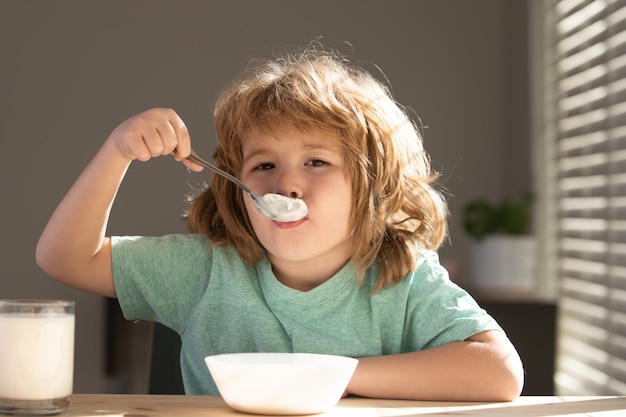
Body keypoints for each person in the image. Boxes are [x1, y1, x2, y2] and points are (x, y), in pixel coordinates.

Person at [36, 44, 524, 401]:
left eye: (316, 162)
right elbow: (64, 258)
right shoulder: (206, 270)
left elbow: (500, 373)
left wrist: (334, 374)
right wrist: (116, 153)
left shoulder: (405, 277)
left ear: (372, 185)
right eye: (264, 165)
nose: (285, 185)